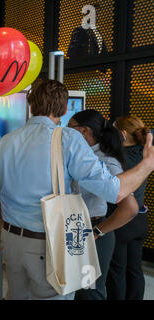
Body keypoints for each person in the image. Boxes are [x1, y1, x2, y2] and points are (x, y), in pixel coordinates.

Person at [0, 79, 154, 300]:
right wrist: (146, 165)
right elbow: (113, 191)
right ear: (65, 108)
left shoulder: (4, 142)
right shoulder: (68, 139)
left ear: (30, 104)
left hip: (12, 241)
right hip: (48, 242)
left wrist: (7, 229)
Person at [68, 110, 138, 300]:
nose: (66, 132)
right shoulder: (82, 155)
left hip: (93, 231)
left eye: (69, 127)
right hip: (78, 230)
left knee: (89, 293)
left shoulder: (105, 161)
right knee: (78, 291)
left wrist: (98, 231)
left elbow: (130, 208)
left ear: (83, 131)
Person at [106, 115, 152, 300]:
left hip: (121, 219)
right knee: (134, 269)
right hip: (140, 220)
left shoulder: (117, 159)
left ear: (122, 134)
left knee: (116, 270)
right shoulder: (145, 154)